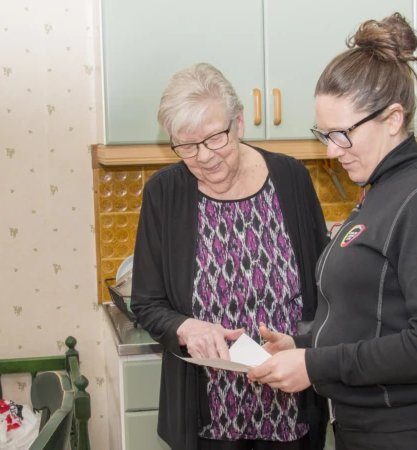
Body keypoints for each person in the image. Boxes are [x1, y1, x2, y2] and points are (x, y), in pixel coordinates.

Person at [247, 13, 417, 450]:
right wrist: (301, 344)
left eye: (341, 134)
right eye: (324, 134)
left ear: (393, 118)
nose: (329, 150)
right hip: (369, 431)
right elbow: (372, 313)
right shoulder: (379, 192)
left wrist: (315, 364)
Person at [130, 63, 329, 450]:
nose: (204, 156)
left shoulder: (291, 178)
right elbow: (147, 303)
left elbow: (325, 289)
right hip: (207, 414)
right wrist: (186, 327)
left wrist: (306, 343)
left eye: (215, 138)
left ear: (239, 123)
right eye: (186, 145)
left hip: (290, 403)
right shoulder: (163, 194)